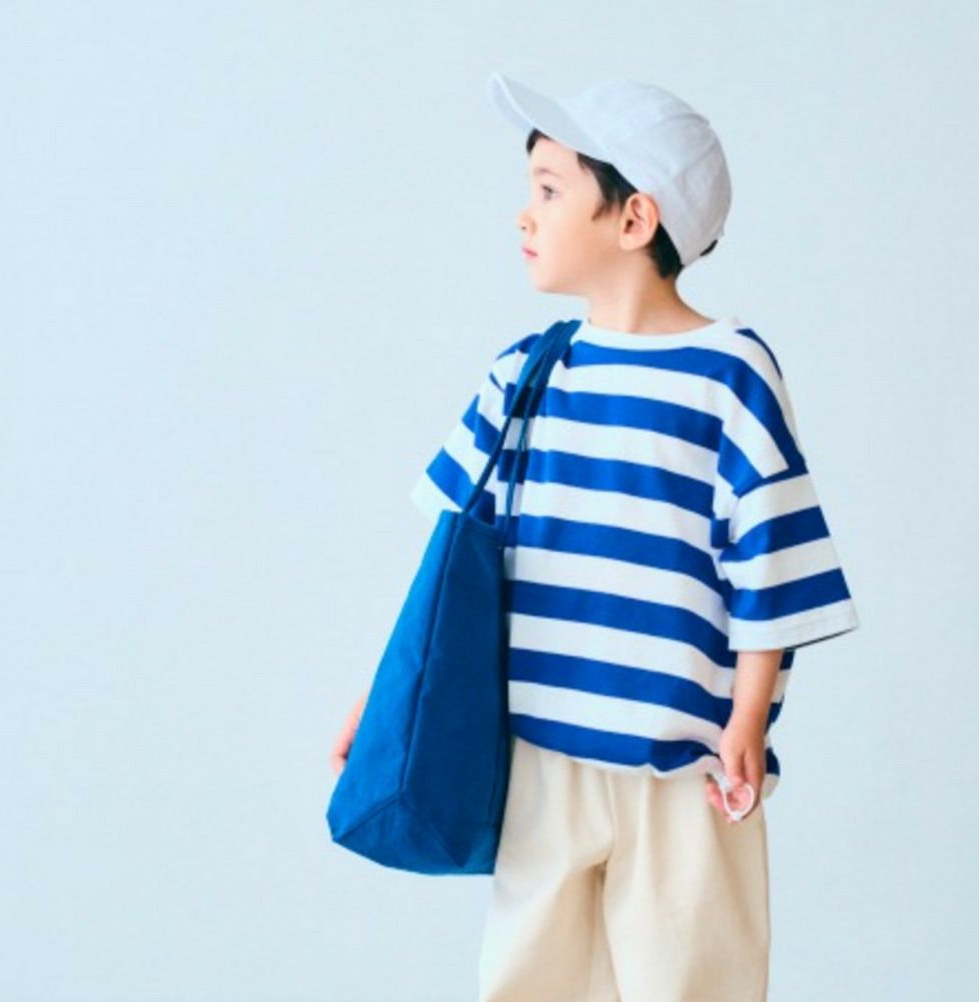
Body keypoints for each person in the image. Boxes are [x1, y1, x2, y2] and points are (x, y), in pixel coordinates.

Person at [332, 73, 860, 1001]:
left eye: (549, 189)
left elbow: (769, 558)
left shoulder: (730, 375)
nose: (523, 213)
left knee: (693, 982)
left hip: (683, 768)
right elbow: (449, 570)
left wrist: (747, 719)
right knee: (531, 981)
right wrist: (386, 697)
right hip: (541, 757)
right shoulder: (526, 374)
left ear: (634, 218)